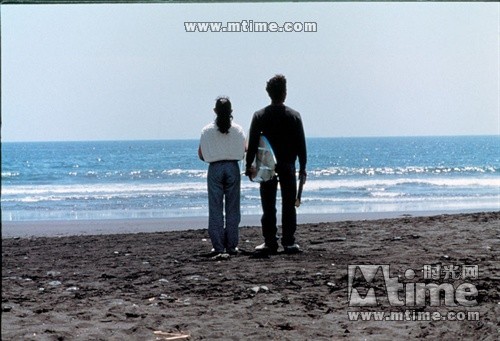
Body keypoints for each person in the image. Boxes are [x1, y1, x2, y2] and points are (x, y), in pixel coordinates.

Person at [245, 74, 307, 254]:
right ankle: (288, 241)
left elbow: (254, 143)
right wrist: (303, 167)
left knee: (268, 205)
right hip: (288, 164)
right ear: (285, 93)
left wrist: (249, 166)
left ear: (268, 93)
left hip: (267, 166)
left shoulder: (260, 115)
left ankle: (270, 241)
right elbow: (301, 144)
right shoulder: (294, 116)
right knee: (289, 204)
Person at [199, 97, 246, 256]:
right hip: (232, 167)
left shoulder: (207, 130)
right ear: (231, 111)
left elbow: (201, 154)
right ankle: (232, 245)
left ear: (215, 111)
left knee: (215, 208)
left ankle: (218, 245)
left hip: (215, 168)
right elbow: (244, 149)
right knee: (233, 207)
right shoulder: (238, 130)